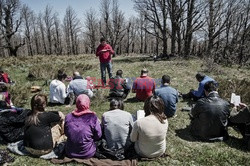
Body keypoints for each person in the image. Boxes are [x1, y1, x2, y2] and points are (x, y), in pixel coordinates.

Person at [64, 94, 102, 159]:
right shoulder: (92, 118)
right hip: (88, 153)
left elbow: (66, 133)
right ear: (88, 103)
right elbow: (98, 135)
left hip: (70, 152)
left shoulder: (68, 117)